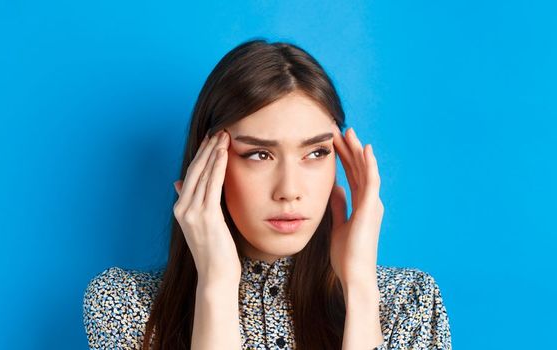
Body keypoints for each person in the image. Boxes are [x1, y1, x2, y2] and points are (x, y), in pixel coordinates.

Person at [82, 39, 452, 350]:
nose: (289, 190)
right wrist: (216, 285)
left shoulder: (408, 300)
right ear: (208, 163)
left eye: (316, 153)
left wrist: (360, 290)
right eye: (260, 154)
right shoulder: (127, 305)